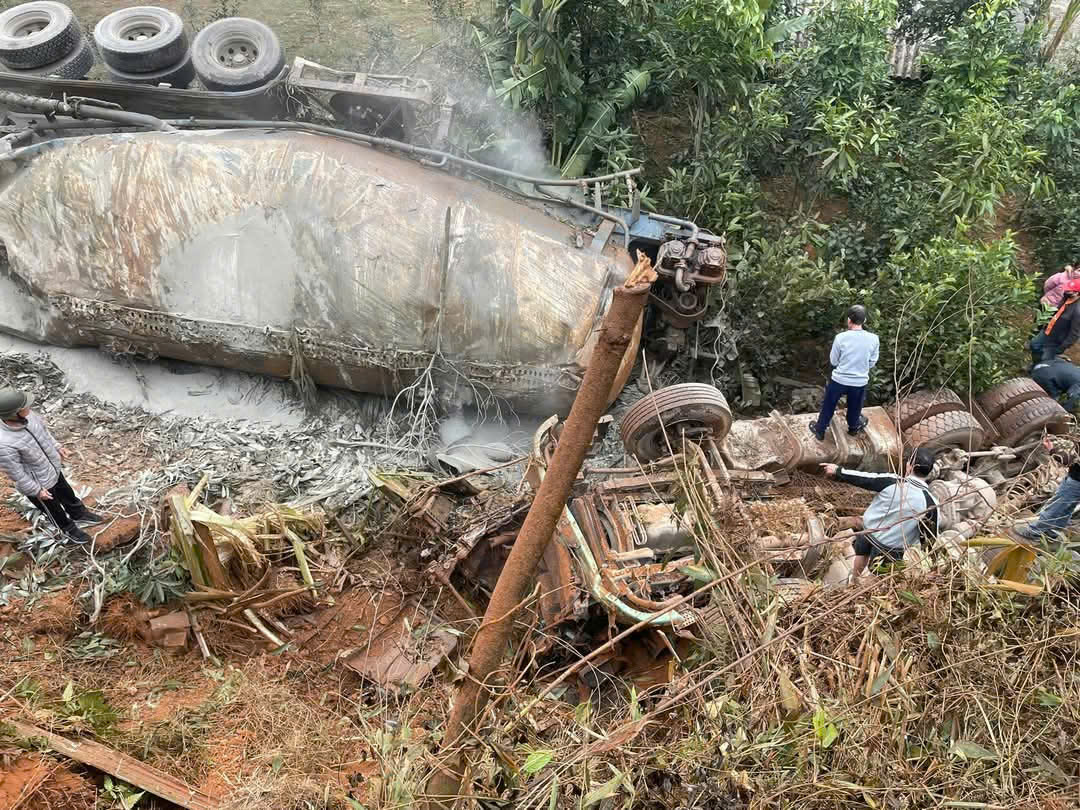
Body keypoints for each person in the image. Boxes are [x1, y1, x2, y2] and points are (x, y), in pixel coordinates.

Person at [0, 388, 101, 544]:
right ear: (14, 413)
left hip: (51, 468)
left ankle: (78, 513)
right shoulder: (4, 443)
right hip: (38, 485)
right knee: (54, 510)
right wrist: (36, 491)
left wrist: (57, 446)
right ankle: (68, 529)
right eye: (25, 406)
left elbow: (44, 433)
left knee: (66, 492)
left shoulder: (30, 417)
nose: (30, 407)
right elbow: (16, 473)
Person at [821, 447, 939, 577]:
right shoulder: (931, 503)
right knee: (879, 574)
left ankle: (854, 577)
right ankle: (862, 590)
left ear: (909, 466)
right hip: (891, 548)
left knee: (861, 555)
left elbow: (865, 479)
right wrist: (932, 563)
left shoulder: (893, 481)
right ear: (928, 472)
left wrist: (838, 471)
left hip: (868, 530)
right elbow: (929, 537)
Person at [809, 304, 880, 441]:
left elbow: (834, 361)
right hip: (859, 382)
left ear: (849, 320)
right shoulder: (874, 338)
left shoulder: (841, 337)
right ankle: (853, 428)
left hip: (839, 380)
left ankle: (820, 431)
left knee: (829, 404)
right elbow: (872, 362)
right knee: (855, 406)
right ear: (864, 321)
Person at [1011, 460, 1080, 545]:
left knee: (1056, 506)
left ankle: (1034, 532)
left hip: (1076, 480)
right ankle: (1052, 533)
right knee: (1067, 508)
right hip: (1076, 478)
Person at [1030, 279, 1080, 365]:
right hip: (1048, 330)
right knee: (1034, 345)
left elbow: (1074, 334)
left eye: (1069, 290)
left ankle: (1038, 370)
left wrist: (1061, 348)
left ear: (1076, 293)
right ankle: (1035, 364)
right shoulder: (1066, 298)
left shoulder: (1077, 311)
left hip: (1056, 340)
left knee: (1046, 360)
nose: (1066, 290)